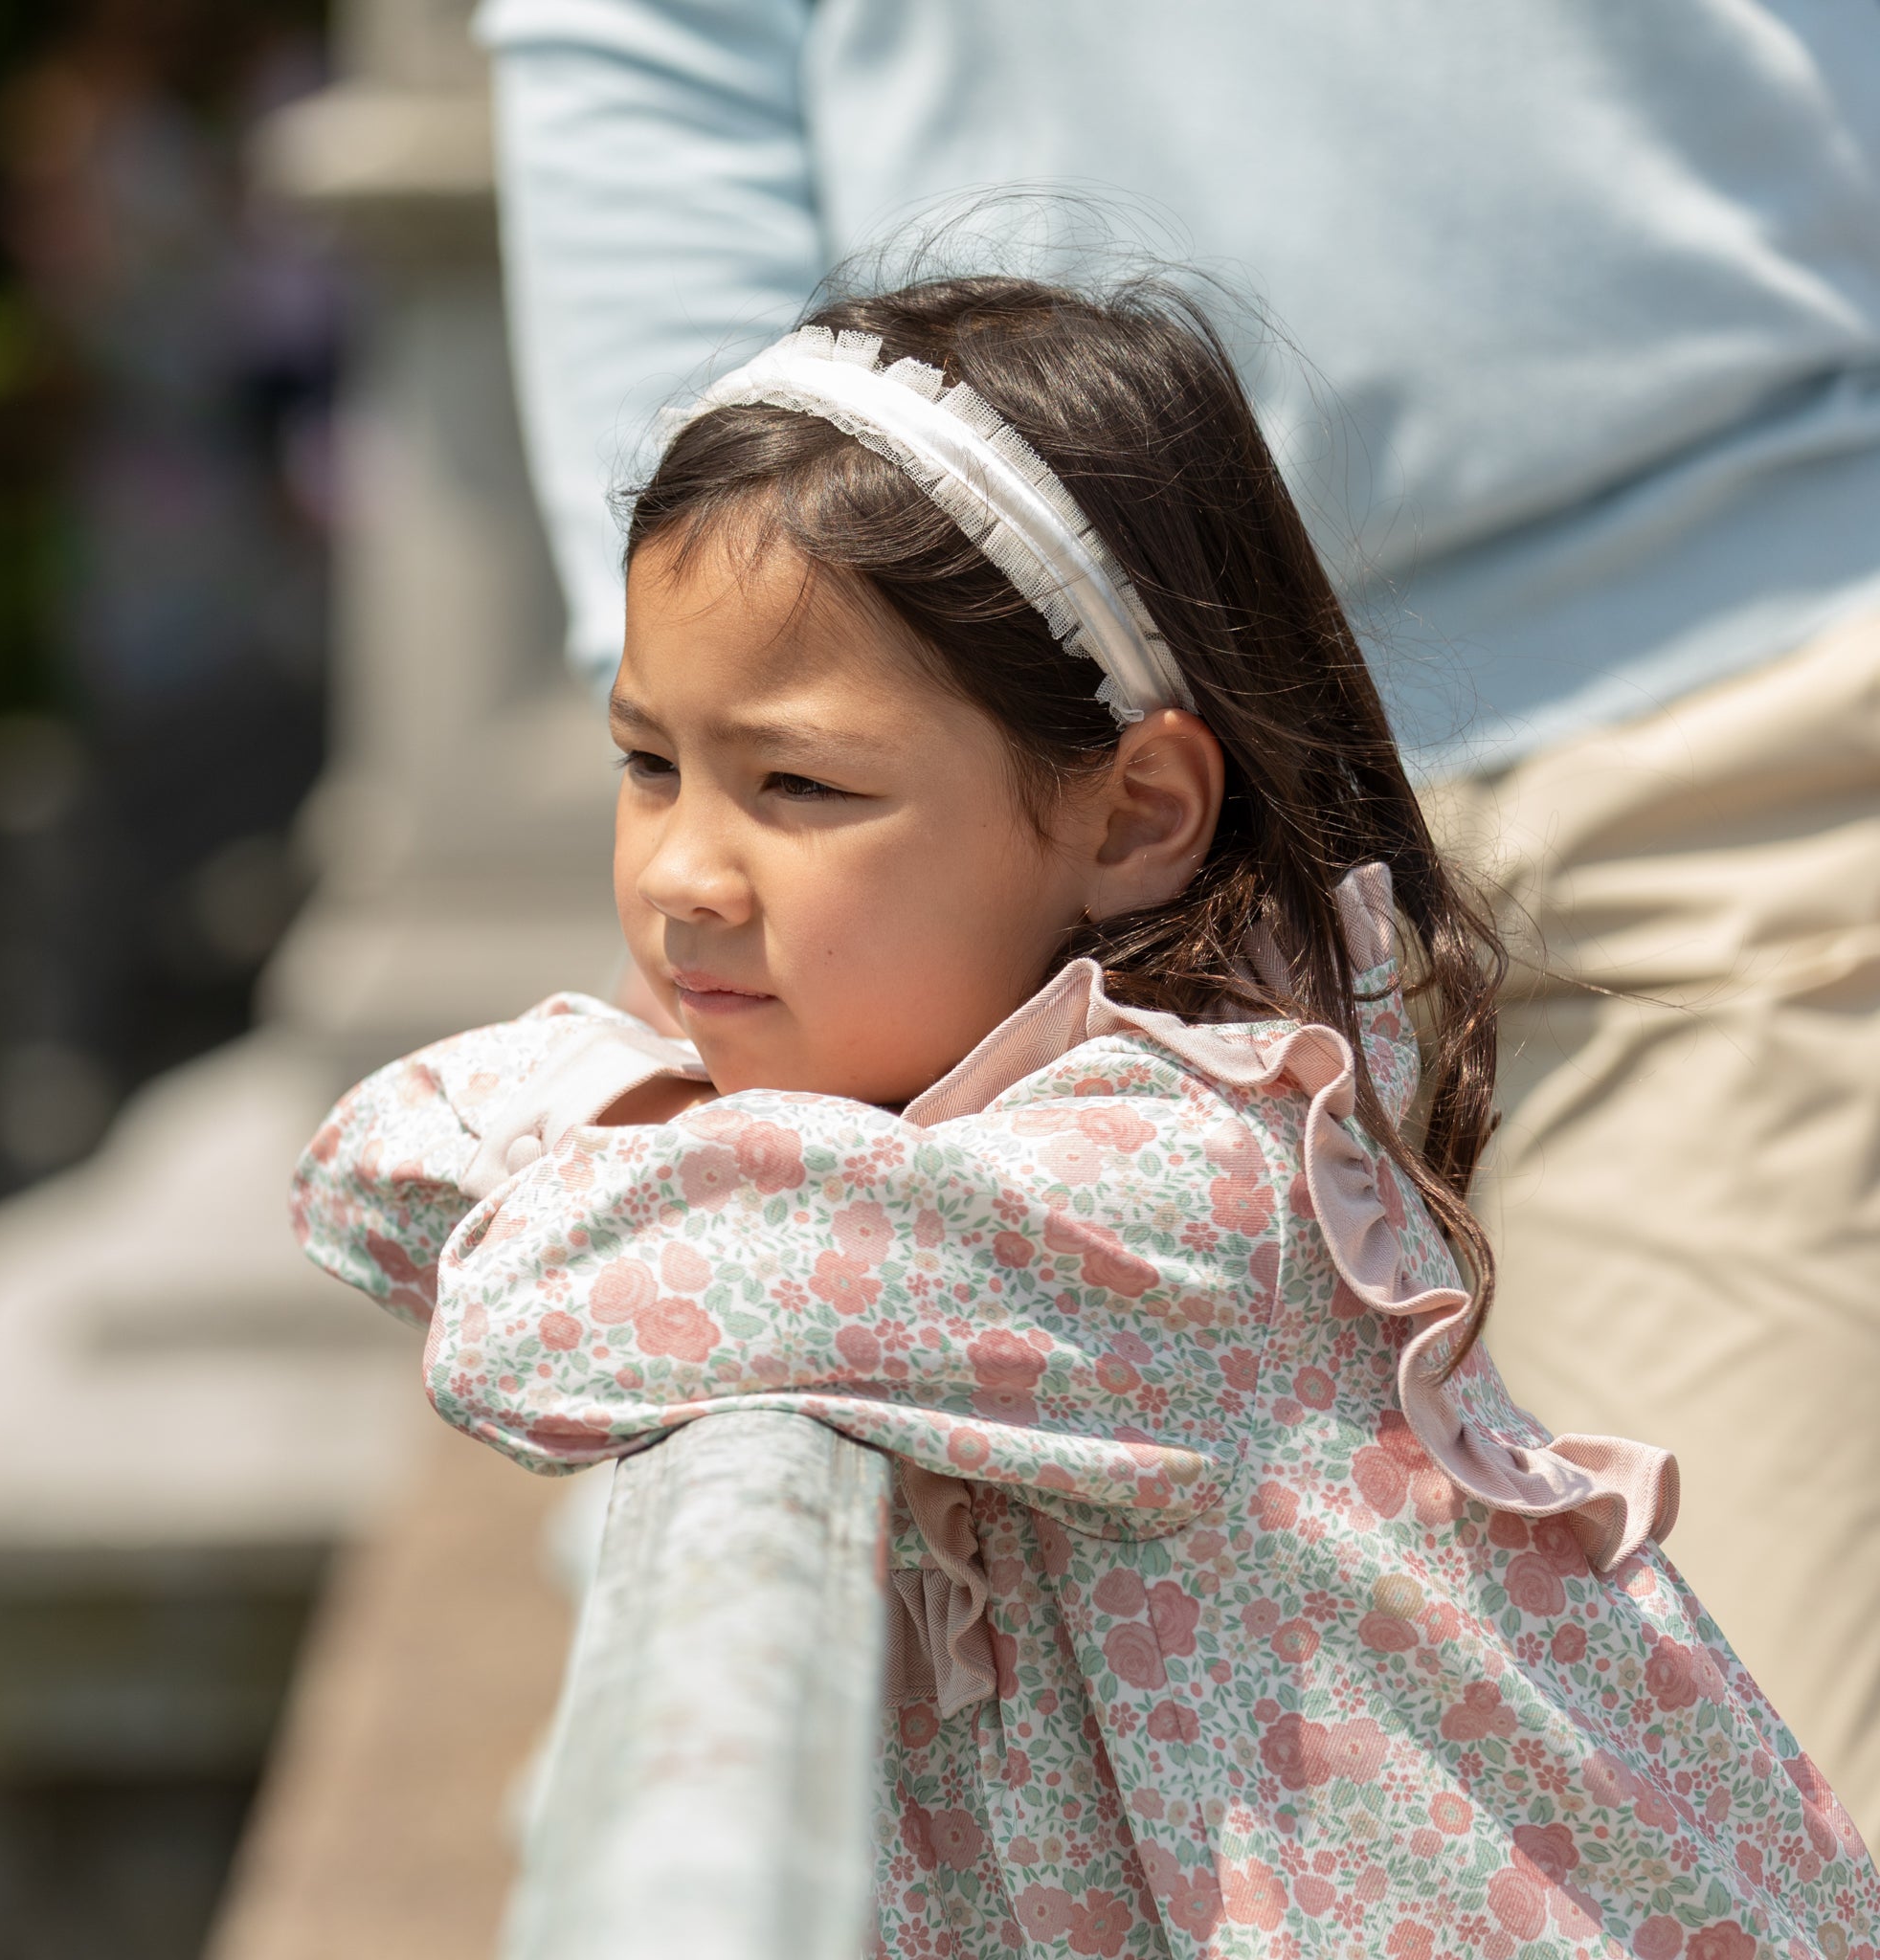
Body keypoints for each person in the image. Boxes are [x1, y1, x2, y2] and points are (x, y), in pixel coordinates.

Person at [293, 278, 1879, 1958]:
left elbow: (519, 1310)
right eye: (648, 765)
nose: (684, 873)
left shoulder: (1153, 1186)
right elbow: (368, 1181)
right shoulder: (973, 1145)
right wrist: (688, 1104)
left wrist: (637, 1110)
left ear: (1135, 816)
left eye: (800, 786)